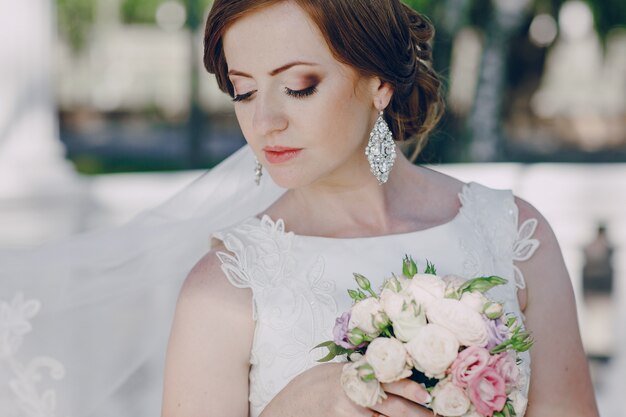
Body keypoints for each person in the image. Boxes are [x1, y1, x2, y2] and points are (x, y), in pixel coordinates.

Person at [160, 1, 599, 417]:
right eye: (245, 92)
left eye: (298, 87)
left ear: (379, 84)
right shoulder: (224, 286)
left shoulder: (514, 235)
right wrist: (291, 406)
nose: (264, 122)